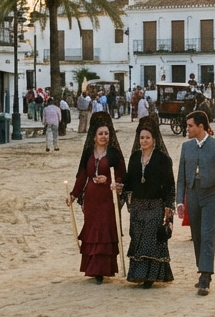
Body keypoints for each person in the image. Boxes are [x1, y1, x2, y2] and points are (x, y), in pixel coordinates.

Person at [176, 110, 215, 295]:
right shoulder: (186, 147)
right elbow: (181, 176)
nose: (187, 129)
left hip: (210, 194)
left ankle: (205, 276)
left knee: (208, 234)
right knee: (197, 235)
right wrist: (179, 200)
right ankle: (202, 269)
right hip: (192, 194)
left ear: (201, 126)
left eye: (190, 126)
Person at [67, 112, 126, 283]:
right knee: (92, 230)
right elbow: (82, 176)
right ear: (94, 136)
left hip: (107, 198)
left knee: (104, 230)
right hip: (91, 199)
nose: (104, 136)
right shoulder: (88, 154)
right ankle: (92, 268)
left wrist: (110, 180)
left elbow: (122, 175)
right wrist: (73, 194)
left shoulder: (114, 154)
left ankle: (101, 269)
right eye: (100, 133)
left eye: (106, 133)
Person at [124, 115, 175, 288]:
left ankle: (150, 277)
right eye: (141, 138)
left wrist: (168, 206)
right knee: (138, 238)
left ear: (154, 139)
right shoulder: (134, 158)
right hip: (138, 205)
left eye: (147, 137)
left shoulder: (163, 159)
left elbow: (169, 184)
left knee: (151, 239)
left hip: (155, 205)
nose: (144, 141)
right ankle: (138, 274)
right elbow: (129, 182)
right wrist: (120, 187)